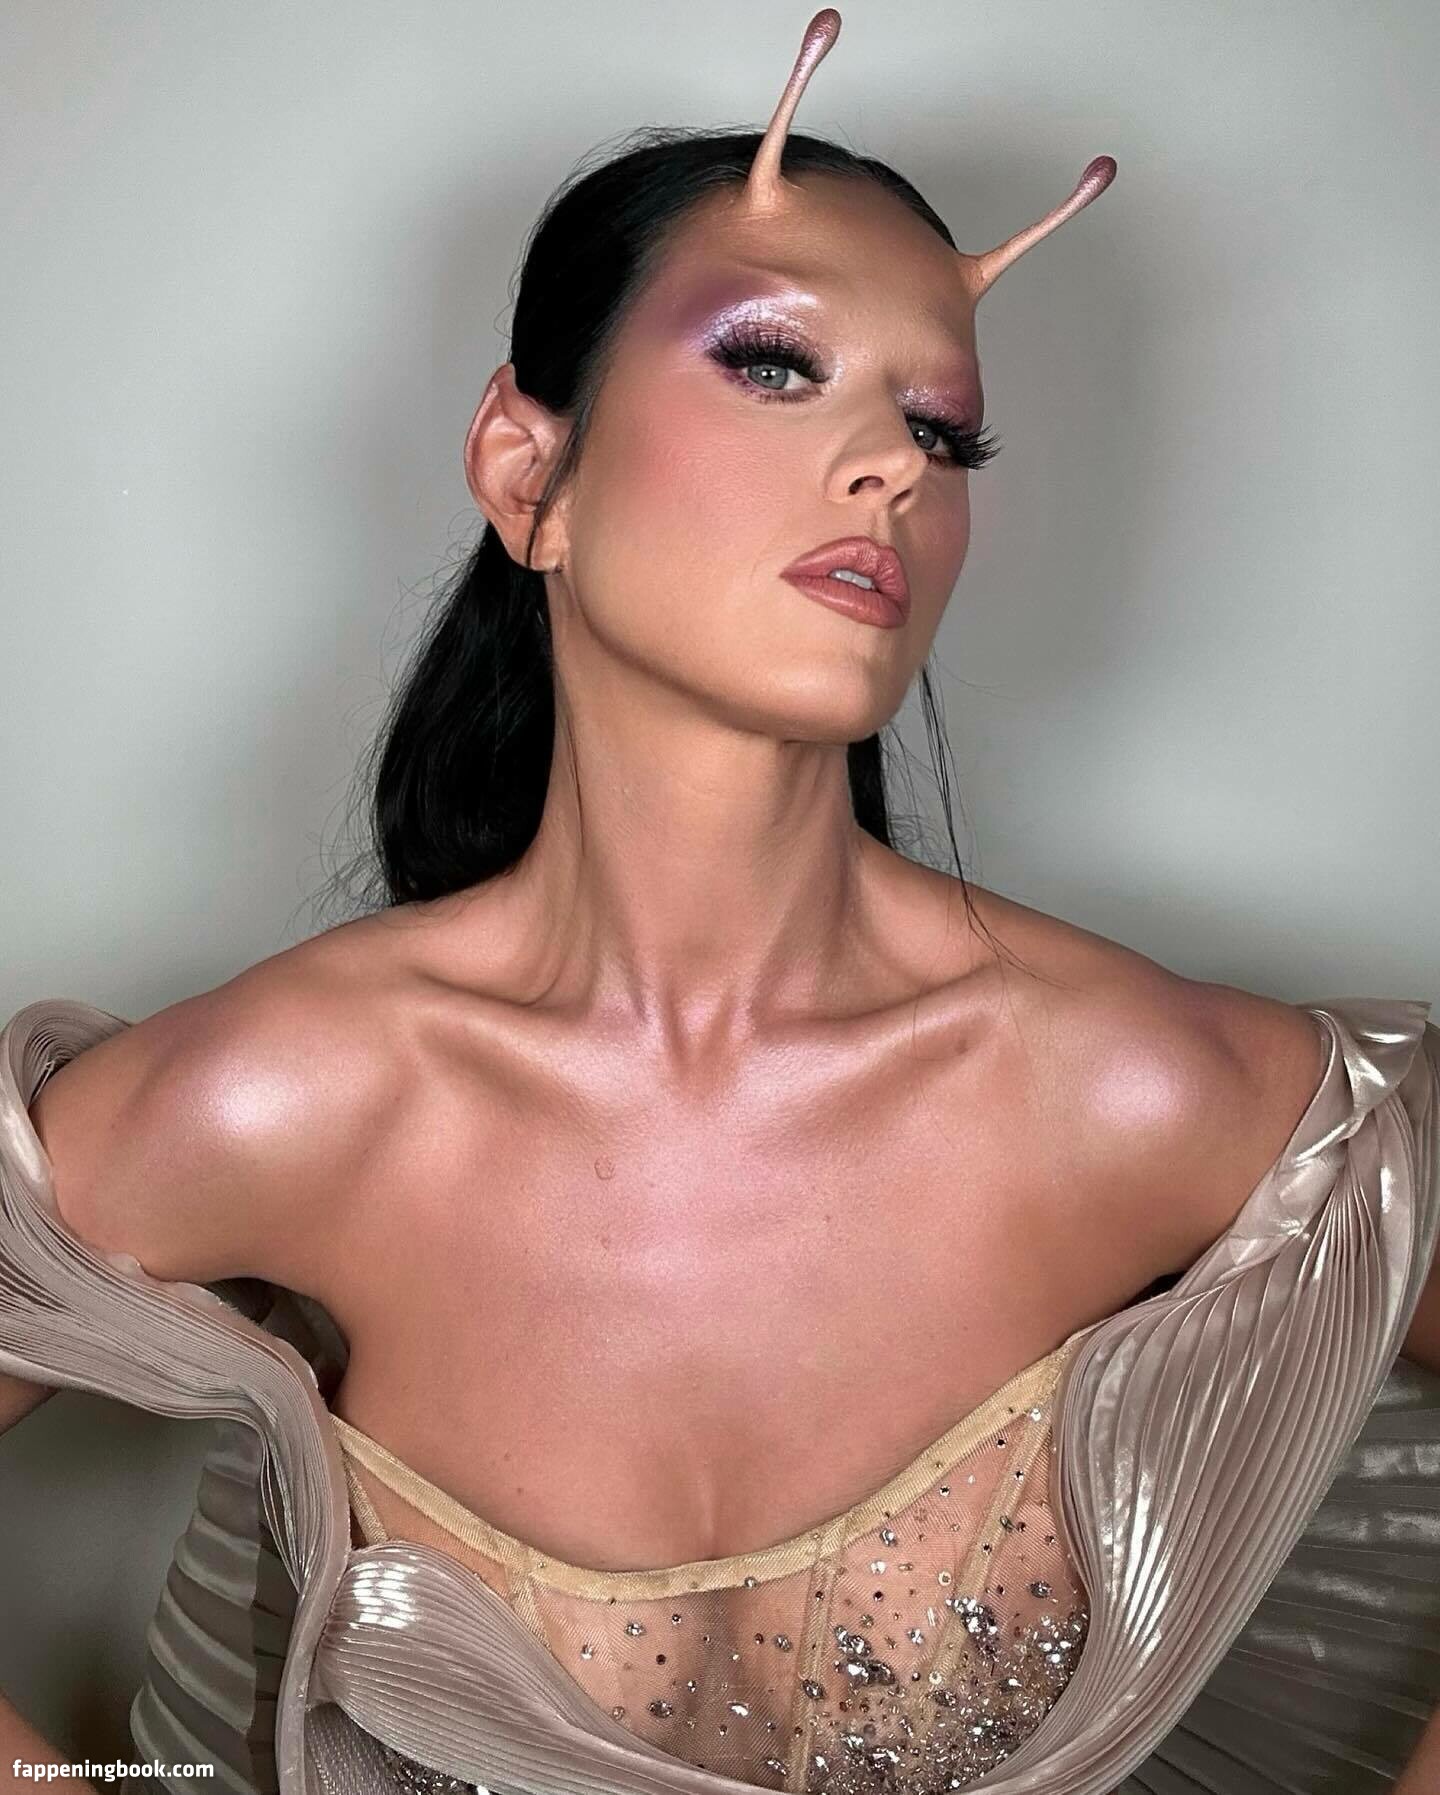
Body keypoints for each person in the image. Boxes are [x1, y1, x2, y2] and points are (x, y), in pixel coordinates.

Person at [3, 11, 1439, 1794]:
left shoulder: (1141, 1090)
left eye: (944, 430)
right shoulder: (287, 1099)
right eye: (774, 363)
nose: (893, 463)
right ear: (527, 473)